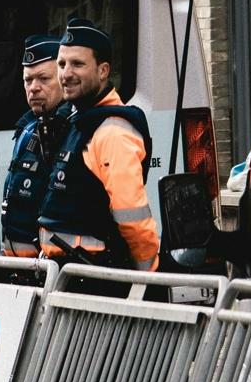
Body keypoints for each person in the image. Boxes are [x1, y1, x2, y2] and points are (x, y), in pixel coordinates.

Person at [39, 20, 160, 272]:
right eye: (62, 64)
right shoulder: (77, 120)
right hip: (66, 275)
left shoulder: (112, 131)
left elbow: (133, 219)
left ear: (103, 71)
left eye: (78, 64)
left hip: (94, 280)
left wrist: (146, 280)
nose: (66, 73)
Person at [0, 34, 71, 257]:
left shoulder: (72, 130)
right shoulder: (28, 129)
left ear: (63, 78)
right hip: (18, 269)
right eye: (28, 80)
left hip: (50, 271)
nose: (34, 88)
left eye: (43, 79)